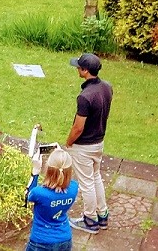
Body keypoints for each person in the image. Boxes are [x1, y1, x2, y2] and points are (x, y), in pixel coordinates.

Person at [65, 53, 112, 234]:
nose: (77, 68)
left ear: (85, 71)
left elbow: (78, 127)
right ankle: (103, 215)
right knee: (96, 178)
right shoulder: (107, 88)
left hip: (83, 146)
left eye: (79, 67)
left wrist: (69, 143)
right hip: (98, 143)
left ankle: (90, 220)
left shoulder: (85, 97)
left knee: (86, 184)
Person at [25, 148, 78, 251]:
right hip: (65, 238)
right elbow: (65, 177)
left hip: (41, 241)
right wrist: (61, 157)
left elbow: (28, 195)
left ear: (48, 170)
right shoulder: (74, 187)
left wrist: (35, 171)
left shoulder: (40, 193)